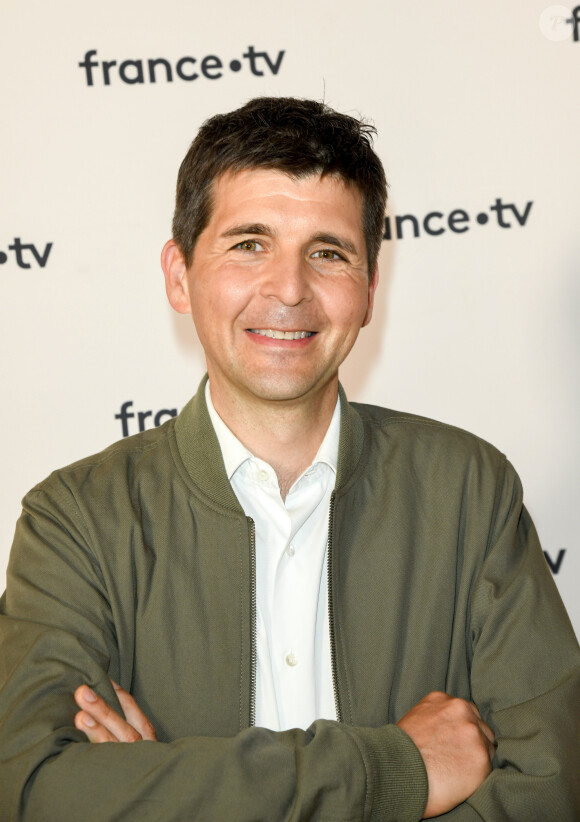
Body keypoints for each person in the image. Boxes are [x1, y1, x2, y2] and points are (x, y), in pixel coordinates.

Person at [0, 97, 578, 822]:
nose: (290, 289)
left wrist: (165, 785)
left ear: (370, 290)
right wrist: (394, 771)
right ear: (179, 275)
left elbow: (550, 789)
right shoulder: (74, 519)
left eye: (328, 253)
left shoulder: (470, 489)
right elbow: (38, 793)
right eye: (249, 244)